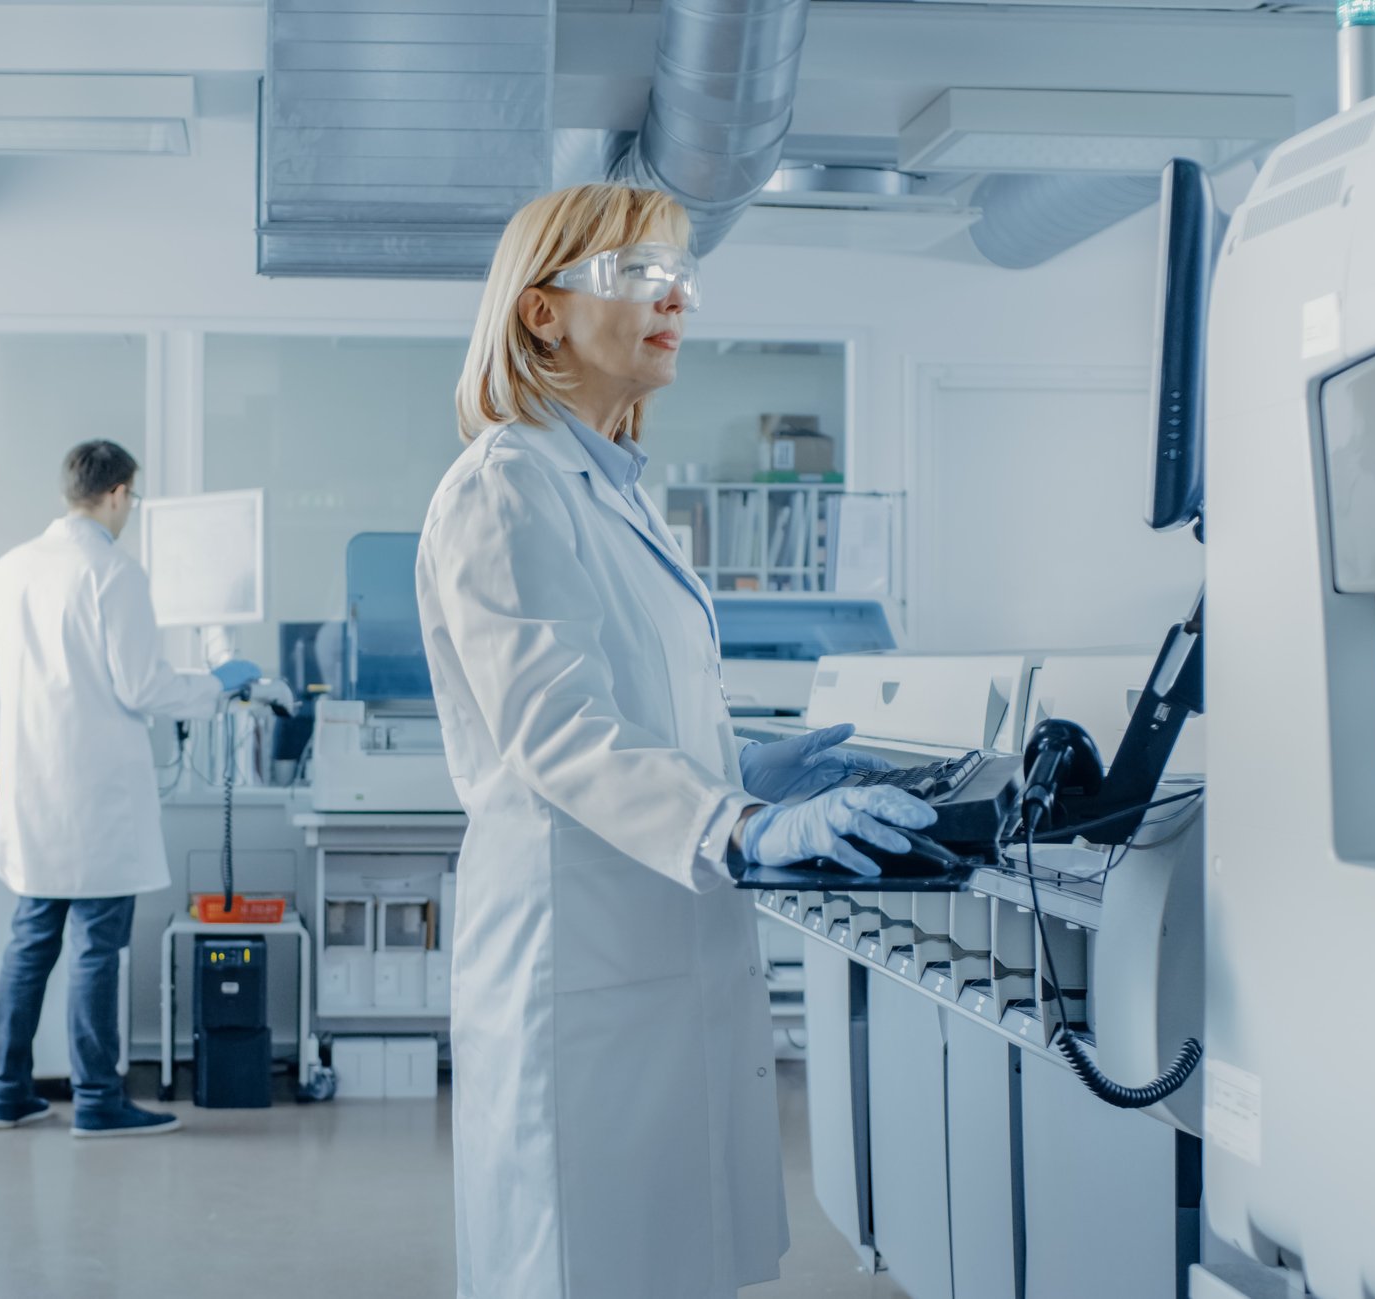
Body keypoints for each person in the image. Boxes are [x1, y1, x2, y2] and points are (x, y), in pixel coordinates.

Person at [417, 183, 938, 1299]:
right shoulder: (507, 488)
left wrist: (742, 766)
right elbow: (557, 730)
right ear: (541, 311)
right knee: (584, 1264)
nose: (677, 299)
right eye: (640, 275)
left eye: (680, 276)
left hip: (656, 951)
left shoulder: (619, 494)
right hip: (578, 964)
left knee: (664, 1257)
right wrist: (742, 825)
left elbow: (636, 712)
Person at [0, 439, 262, 1136]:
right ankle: (99, 1101)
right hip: (95, 797)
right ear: (118, 493)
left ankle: (7, 1094)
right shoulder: (113, 571)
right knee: (95, 948)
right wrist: (219, 686)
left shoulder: (10, 567)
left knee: (30, 942)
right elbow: (143, 686)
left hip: (33, 792)